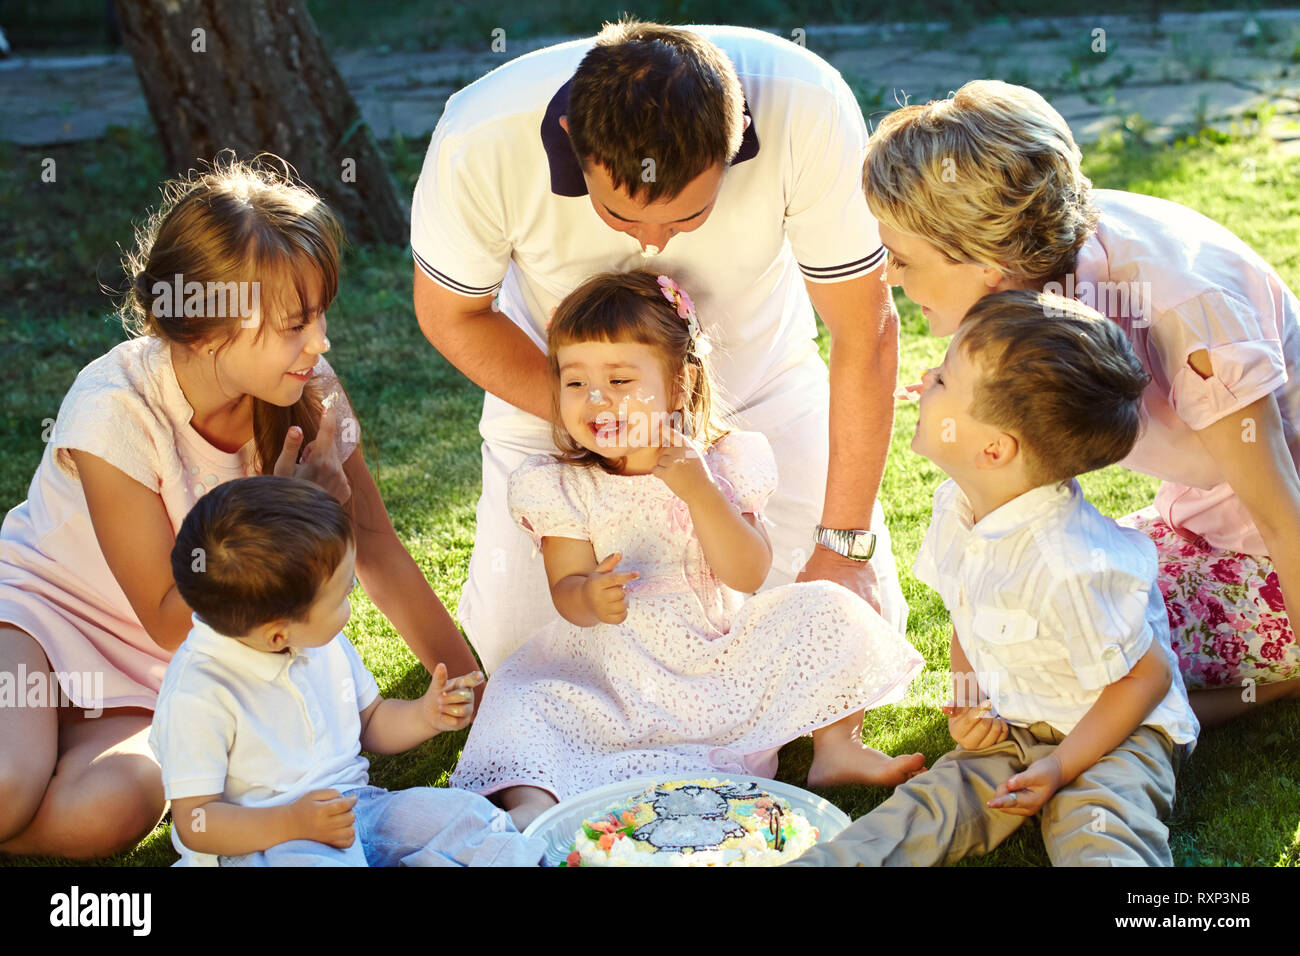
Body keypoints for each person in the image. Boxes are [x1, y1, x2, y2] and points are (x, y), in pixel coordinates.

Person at [0, 155, 477, 859]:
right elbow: (168, 616)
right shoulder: (114, 412)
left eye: (320, 315)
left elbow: (374, 543)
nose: (320, 342)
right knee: (9, 788)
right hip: (42, 625)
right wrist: (277, 510)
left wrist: (467, 692)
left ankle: (50, 748)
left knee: (100, 815)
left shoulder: (307, 389)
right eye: (295, 324)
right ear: (204, 328)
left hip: (162, 677)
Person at [411, 18, 909, 675]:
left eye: (686, 217)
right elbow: (452, 316)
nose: (652, 244)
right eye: (620, 216)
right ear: (571, 139)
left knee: (839, 645)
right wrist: (594, 419)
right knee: (526, 659)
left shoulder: (809, 105)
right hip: (558, 398)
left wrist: (844, 548)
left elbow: (865, 329)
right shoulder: (480, 137)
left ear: (734, 146)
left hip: (757, 388)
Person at [866, 80, 1299, 727]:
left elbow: (1282, 515)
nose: (888, 276)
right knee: (1025, 614)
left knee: (1056, 662)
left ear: (984, 262)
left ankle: (1270, 689)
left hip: (1271, 549)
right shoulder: (1033, 288)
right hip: (1195, 522)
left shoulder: (1189, 313)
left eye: (901, 258)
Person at [449, 271, 926, 829]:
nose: (596, 399)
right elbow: (566, 588)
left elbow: (748, 574)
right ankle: (538, 800)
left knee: (827, 607)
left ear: (678, 387)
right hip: (614, 676)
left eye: (621, 380)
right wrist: (589, 595)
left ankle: (838, 747)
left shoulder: (725, 463)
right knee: (521, 695)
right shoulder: (561, 484)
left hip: (717, 665)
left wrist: (702, 492)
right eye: (574, 383)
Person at [792, 292, 1200, 867]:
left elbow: (1147, 676)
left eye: (944, 381)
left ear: (994, 449)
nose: (928, 375)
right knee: (930, 806)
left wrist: (1060, 766)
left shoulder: (1067, 564)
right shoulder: (956, 507)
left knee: (1097, 827)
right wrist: (971, 704)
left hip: (1117, 733)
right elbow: (968, 613)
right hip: (1018, 722)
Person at [152, 475, 542, 866]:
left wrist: (426, 715)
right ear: (277, 635)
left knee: (465, 817)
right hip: (269, 844)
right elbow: (195, 822)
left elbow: (370, 720)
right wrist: (291, 822)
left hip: (359, 808)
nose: (352, 592)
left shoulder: (318, 641)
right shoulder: (198, 692)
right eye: (342, 595)